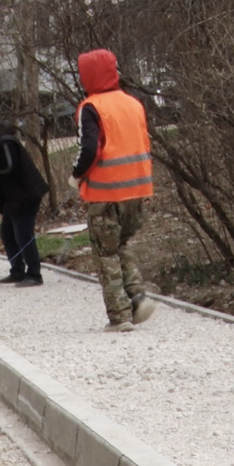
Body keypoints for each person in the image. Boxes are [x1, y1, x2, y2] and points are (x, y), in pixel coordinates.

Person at [72, 49, 158, 332]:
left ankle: (120, 316)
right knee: (120, 245)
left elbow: (89, 149)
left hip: (105, 193)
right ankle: (138, 296)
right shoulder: (133, 104)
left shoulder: (91, 107)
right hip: (137, 190)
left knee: (105, 253)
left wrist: (76, 176)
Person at [0, 116, 49, 288]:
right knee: (7, 233)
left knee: (23, 234)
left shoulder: (5, 143)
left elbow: (8, 167)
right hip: (14, 198)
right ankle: (17, 270)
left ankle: (34, 274)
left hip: (27, 194)